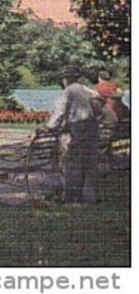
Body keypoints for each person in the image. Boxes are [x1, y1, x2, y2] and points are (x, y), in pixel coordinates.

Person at [44, 66, 99, 203]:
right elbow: (98, 99)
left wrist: (48, 127)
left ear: (66, 79)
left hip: (79, 127)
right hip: (92, 125)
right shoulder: (83, 89)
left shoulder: (68, 91)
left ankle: (72, 196)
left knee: (73, 160)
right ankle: (90, 196)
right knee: (89, 160)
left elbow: (60, 111)